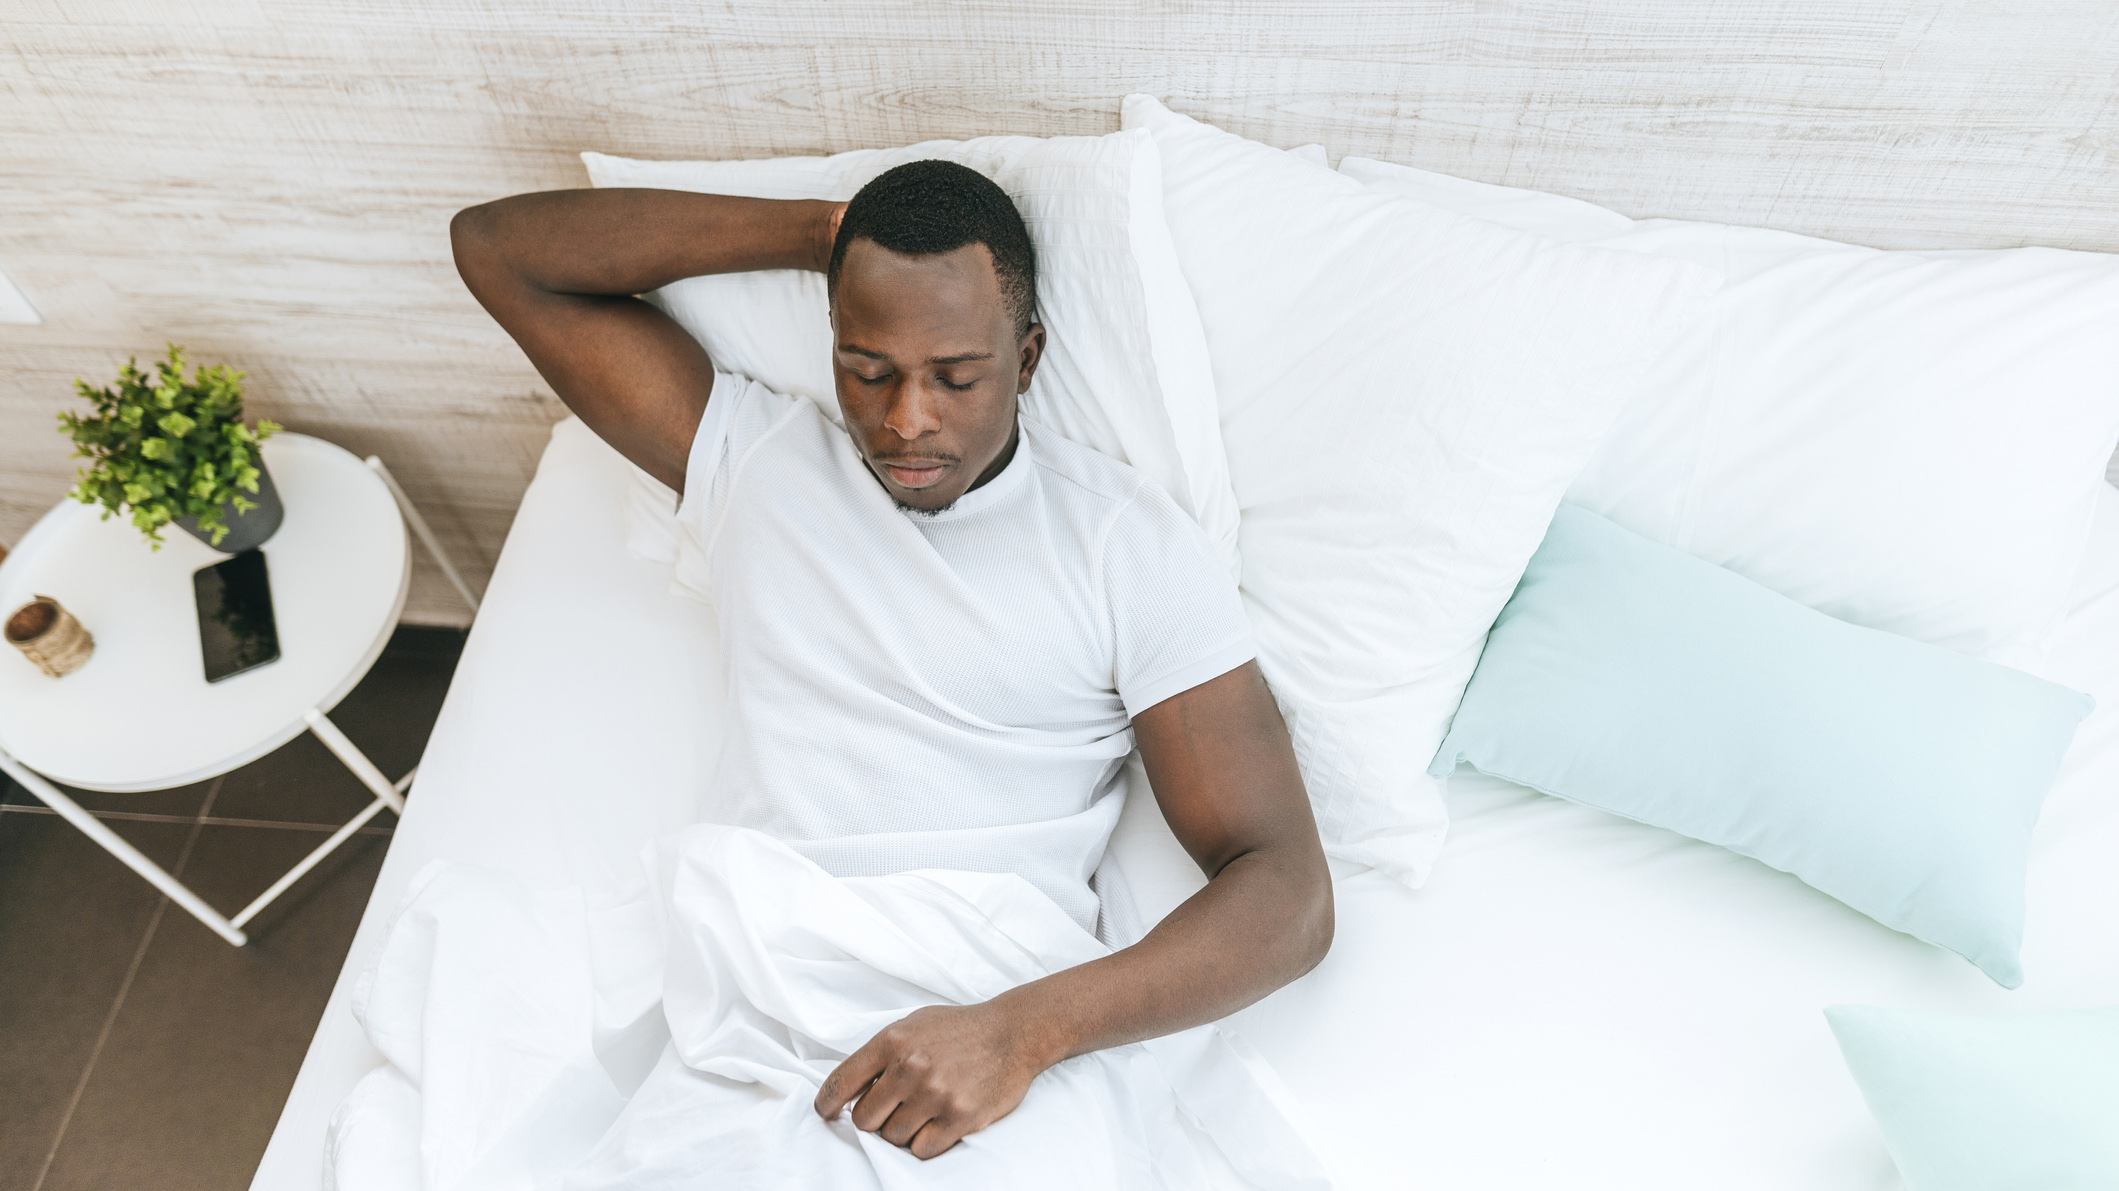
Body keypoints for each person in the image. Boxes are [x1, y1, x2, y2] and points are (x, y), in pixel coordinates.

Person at [448, 160, 1332, 1163]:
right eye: (869, 369)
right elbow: (500, 252)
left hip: (1001, 1022)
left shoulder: (1124, 545)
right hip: (762, 1022)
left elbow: (1287, 894)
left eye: (956, 376)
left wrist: (1019, 1032)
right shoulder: (758, 463)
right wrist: (828, 232)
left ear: (1028, 358)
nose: (907, 419)